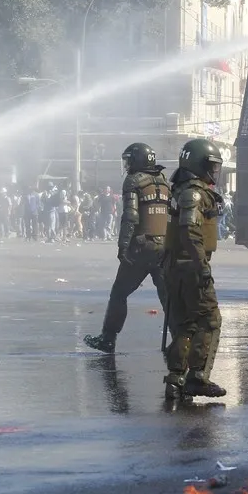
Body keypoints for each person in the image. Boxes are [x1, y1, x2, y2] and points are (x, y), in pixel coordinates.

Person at [84, 143, 170, 353]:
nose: (127, 164)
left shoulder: (133, 181)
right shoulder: (163, 181)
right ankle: (180, 341)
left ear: (137, 160)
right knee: (168, 298)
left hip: (141, 248)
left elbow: (130, 216)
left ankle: (108, 339)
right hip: (164, 247)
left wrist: (123, 246)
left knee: (119, 293)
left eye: (129, 160)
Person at [162, 138, 227, 400]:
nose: (214, 172)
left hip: (176, 267)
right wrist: (201, 267)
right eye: (211, 166)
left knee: (184, 325)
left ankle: (175, 379)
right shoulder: (194, 193)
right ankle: (198, 376)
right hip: (190, 267)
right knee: (210, 320)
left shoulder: (182, 190)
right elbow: (190, 232)